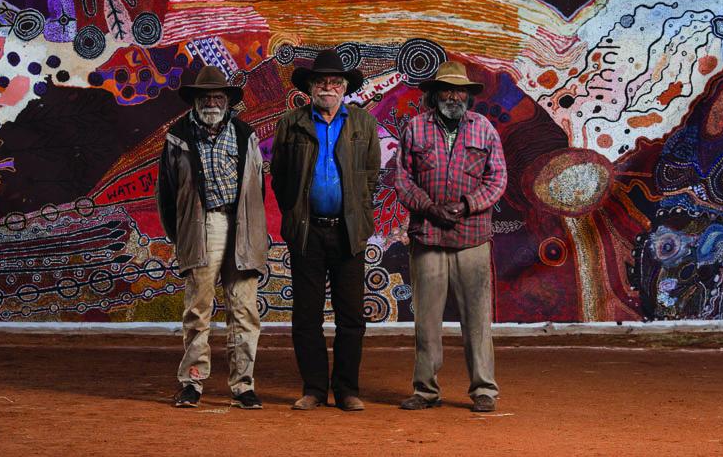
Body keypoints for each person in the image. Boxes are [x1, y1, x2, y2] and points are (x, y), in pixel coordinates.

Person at [270, 49, 381, 411]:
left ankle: (347, 390)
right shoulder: (291, 123)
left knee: (351, 316)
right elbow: (280, 178)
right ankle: (314, 389)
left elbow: (371, 176)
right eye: (321, 82)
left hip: (348, 230)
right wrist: (296, 213)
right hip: (307, 231)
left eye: (334, 82)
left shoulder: (363, 124)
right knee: (307, 315)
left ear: (344, 87)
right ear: (311, 87)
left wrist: (354, 211)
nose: (327, 87)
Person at [393, 60, 507, 413]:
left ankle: (484, 390)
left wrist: (467, 204)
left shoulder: (484, 130)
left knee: (476, 319)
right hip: (428, 236)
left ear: (468, 96)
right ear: (434, 94)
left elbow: (498, 179)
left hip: (472, 237)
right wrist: (429, 207)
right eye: (446, 89)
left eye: (460, 90)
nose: (453, 96)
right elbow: (402, 179)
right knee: (426, 320)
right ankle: (426, 390)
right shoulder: (415, 129)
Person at [156, 65, 268, 410]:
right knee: (198, 309)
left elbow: (258, 186)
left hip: (242, 224)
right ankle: (192, 381)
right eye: (205, 97)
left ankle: (243, 384)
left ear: (228, 100)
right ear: (195, 100)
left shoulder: (245, 135)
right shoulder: (177, 137)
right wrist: (185, 234)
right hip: (202, 226)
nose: (211, 102)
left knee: (244, 309)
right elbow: (167, 194)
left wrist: (249, 226)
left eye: (218, 96)